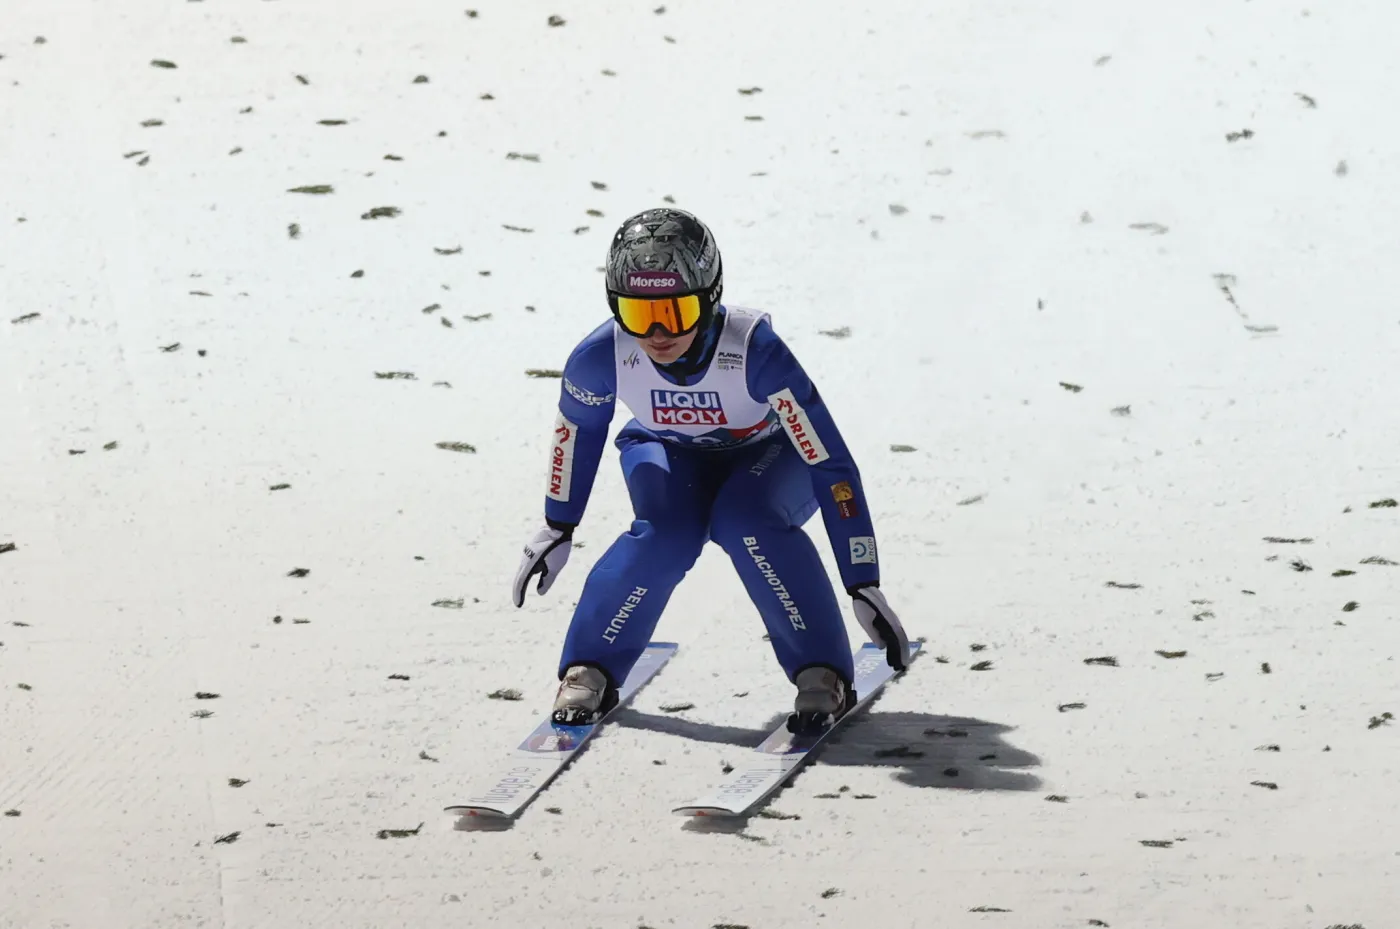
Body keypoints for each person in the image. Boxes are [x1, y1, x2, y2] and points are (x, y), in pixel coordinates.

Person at [511, 207, 910, 734]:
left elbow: (828, 463)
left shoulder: (754, 353)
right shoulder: (599, 356)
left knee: (746, 522)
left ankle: (821, 671)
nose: (655, 333)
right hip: (665, 449)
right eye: (636, 313)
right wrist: (558, 525)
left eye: (675, 313)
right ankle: (590, 667)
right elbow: (576, 434)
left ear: (711, 297)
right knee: (665, 534)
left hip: (769, 455)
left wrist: (862, 581)